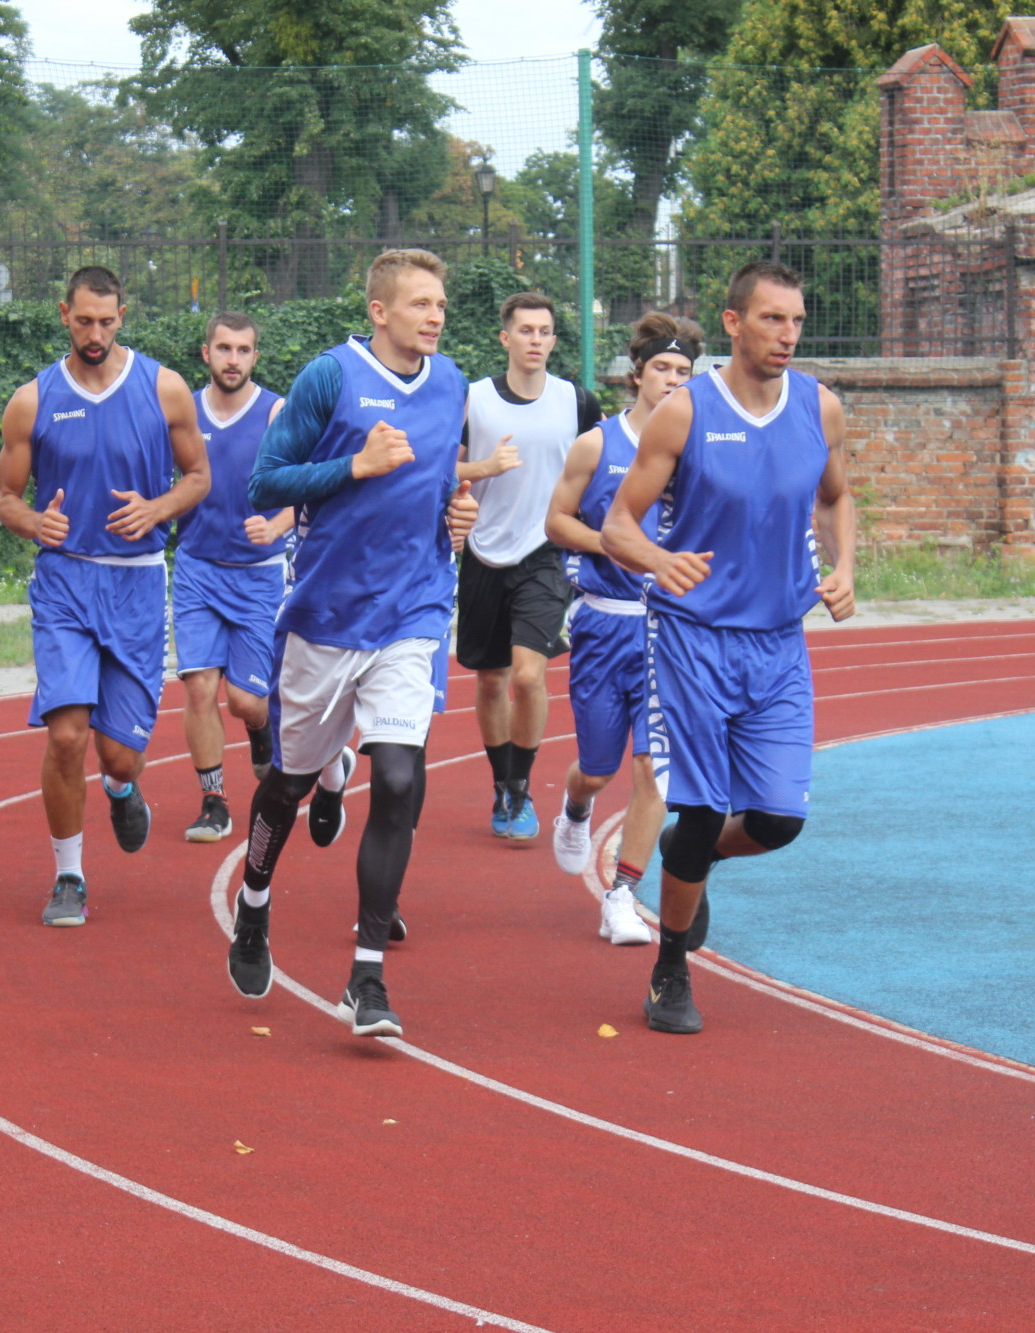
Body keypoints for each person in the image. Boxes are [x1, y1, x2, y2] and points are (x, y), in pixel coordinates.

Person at [223, 248, 478, 1038]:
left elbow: (439, 481)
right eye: (420, 303)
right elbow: (266, 483)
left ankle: (367, 977)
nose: (435, 316)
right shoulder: (328, 377)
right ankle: (254, 901)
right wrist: (354, 465)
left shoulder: (452, 383)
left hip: (414, 609)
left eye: (440, 304)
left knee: (398, 776)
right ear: (379, 311)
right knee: (288, 785)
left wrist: (458, 511)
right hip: (327, 616)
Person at [601, 260, 856, 1035]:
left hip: (779, 642)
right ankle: (670, 967)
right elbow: (617, 524)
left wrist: (844, 566)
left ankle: (695, 857)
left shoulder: (820, 407)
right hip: (693, 638)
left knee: (778, 821)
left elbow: (836, 497)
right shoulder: (685, 412)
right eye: (773, 318)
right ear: (735, 322)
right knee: (705, 808)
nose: (788, 334)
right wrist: (659, 560)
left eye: (797, 320)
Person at [0, 266, 210, 928]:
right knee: (66, 736)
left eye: (106, 321)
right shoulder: (31, 400)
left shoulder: (165, 387)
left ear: (123, 316)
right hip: (65, 583)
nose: (95, 333)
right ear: (64, 314)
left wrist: (157, 508)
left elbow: (198, 476)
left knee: (120, 754)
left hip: (137, 584)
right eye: (83, 320)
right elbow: (6, 497)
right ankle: (69, 875)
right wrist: (35, 523)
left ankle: (121, 786)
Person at [543, 313, 700, 947]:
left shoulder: (699, 449)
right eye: (662, 367)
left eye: (684, 371)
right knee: (599, 767)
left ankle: (622, 897)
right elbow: (556, 522)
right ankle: (576, 805)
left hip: (670, 629)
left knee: (654, 769)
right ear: (637, 373)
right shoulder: (597, 444)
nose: (672, 379)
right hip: (605, 626)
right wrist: (614, 545)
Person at [456, 292, 601, 841]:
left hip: (545, 551)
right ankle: (501, 784)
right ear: (506, 338)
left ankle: (520, 788)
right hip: (482, 550)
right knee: (492, 680)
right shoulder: (473, 399)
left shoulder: (576, 402)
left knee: (526, 675)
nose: (535, 340)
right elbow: (443, 468)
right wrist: (484, 467)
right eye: (525, 330)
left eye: (544, 331)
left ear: (554, 340)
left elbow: (604, 464)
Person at [173, 313, 292, 842]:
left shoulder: (276, 413)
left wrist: (277, 524)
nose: (233, 359)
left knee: (245, 702)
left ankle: (261, 731)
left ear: (255, 357)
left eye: (243, 350)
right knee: (199, 688)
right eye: (224, 348)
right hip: (197, 570)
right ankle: (213, 801)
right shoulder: (182, 410)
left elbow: (311, 487)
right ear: (206, 353)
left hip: (258, 577)